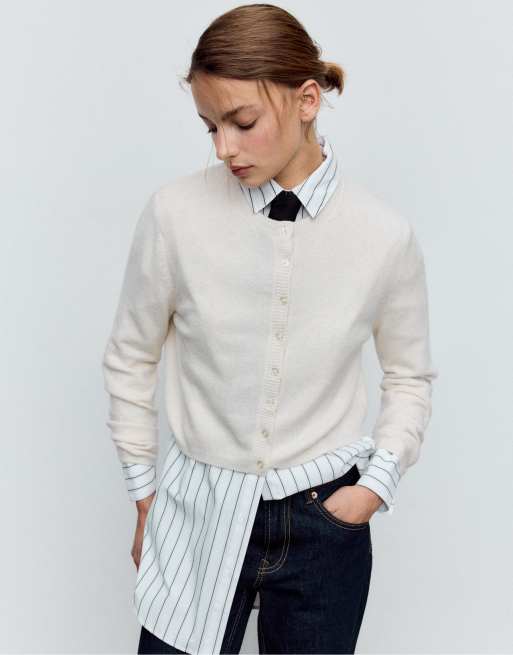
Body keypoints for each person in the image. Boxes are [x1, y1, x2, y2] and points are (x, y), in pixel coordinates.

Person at [101, 4, 438, 654]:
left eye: (242, 122)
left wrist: (373, 487)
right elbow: (130, 356)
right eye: (210, 126)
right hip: (197, 507)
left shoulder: (382, 235)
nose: (223, 148)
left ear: (306, 100)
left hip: (323, 521)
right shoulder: (174, 214)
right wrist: (144, 492)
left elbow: (409, 376)